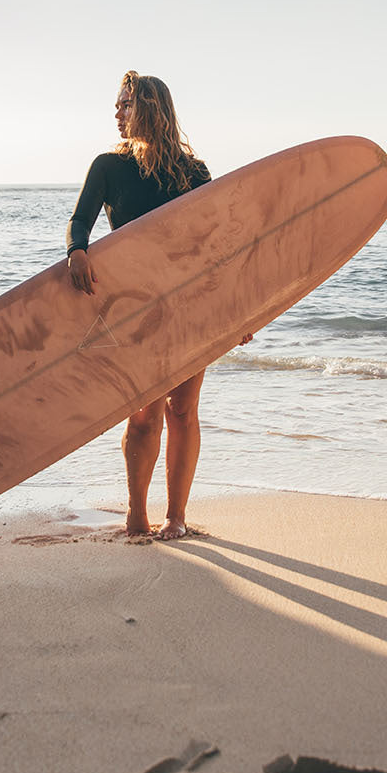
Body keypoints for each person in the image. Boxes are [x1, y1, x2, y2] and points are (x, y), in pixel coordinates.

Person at [65, 71, 241, 540]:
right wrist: (77, 250)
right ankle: (137, 513)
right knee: (142, 410)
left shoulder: (194, 173)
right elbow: (80, 219)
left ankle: (176, 515)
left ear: (149, 108)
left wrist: (241, 311)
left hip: (191, 306)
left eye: (125, 105)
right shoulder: (107, 166)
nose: (117, 113)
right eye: (117, 105)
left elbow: (216, 247)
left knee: (183, 408)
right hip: (135, 308)